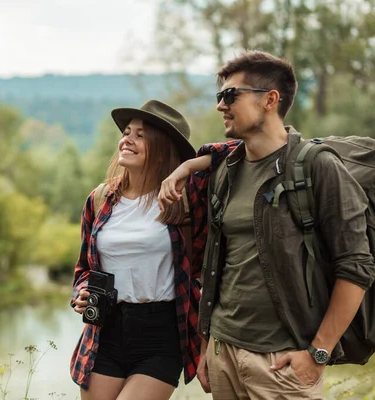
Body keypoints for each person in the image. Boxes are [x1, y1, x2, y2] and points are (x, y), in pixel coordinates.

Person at [159, 50, 375, 399]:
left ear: (270, 100)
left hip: (282, 362)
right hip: (223, 352)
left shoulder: (317, 167)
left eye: (231, 95)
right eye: (219, 96)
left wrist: (318, 353)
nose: (220, 106)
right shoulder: (227, 171)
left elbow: (357, 268)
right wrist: (208, 344)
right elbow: (219, 266)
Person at [69, 100, 235, 400]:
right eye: (127, 132)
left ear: (163, 147)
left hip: (162, 334)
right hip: (105, 330)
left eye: (141, 135)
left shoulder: (185, 198)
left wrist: (187, 166)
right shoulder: (100, 199)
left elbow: (241, 150)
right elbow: (84, 269)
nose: (127, 139)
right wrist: (81, 292)